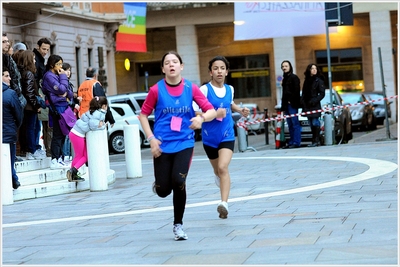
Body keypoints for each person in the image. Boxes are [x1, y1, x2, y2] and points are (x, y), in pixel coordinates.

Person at [139, 51, 217, 241]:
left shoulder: (191, 88)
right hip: (162, 144)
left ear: (181, 66)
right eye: (167, 62)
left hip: (184, 142)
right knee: (163, 190)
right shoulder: (156, 90)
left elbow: (211, 111)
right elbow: (142, 115)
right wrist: (151, 139)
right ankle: (158, 184)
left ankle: (178, 224)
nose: (171, 65)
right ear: (163, 68)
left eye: (175, 62)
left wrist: (201, 119)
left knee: (179, 181)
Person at [193, 55, 249, 219]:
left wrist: (239, 110)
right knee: (217, 170)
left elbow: (230, 103)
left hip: (226, 134)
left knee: (223, 168)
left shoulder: (230, 89)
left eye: (222, 68)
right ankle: (218, 177)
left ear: (226, 71)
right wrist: (212, 114)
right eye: (216, 68)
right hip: (209, 137)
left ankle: (224, 203)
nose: (219, 71)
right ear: (210, 72)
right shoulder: (204, 90)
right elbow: (197, 111)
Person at [41, 54, 73, 169]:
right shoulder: (49, 76)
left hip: (62, 106)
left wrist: (64, 92)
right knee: (58, 134)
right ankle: (55, 159)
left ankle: (59, 158)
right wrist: (63, 78)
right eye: (58, 64)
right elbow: (61, 89)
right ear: (51, 65)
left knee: (63, 133)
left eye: (61, 64)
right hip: (56, 107)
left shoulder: (56, 75)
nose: (60, 66)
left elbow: (68, 91)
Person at [67, 96, 108, 182]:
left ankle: (72, 174)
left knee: (81, 155)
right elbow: (93, 126)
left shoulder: (91, 112)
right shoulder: (100, 113)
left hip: (74, 133)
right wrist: (103, 126)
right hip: (78, 135)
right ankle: (73, 170)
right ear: (104, 106)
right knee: (85, 156)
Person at [16, 50, 46, 160]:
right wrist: (36, 105)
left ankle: (29, 149)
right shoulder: (28, 73)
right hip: (29, 107)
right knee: (30, 128)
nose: (34, 61)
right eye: (33, 59)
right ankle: (31, 150)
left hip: (27, 106)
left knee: (29, 128)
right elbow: (29, 92)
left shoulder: (24, 72)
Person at [2, 67, 24, 189]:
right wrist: (15, 126)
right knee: (9, 160)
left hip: (8, 131)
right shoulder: (11, 94)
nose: (9, 78)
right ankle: (13, 179)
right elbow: (19, 114)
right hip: (8, 133)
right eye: (6, 76)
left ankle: (13, 179)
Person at [33, 37, 51, 156]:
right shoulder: (36, 59)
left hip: (38, 93)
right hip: (37, 94)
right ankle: (35, 147)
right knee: (36, 125)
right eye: (43, 48)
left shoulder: (40, 59)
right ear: (38, 47)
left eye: (47, 49)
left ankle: (37, 147)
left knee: (38, 125)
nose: (45, 51)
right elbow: (35, 78)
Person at [301, 63, 325, 147]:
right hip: (307, 105)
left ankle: (316, 140)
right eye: (312, 68)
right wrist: (303, 103)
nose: (314, 70)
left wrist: (314, 101)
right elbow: (303, 93)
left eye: (315, 68)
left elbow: (322, 94)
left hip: (314, 105)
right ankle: (314, 139)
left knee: (315, 122)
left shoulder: (319, 80)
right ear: (309, 70)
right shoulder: (306, 81)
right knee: (311, 123)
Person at [280, 60, 302, 149]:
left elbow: (296, 91)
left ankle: (296, 142)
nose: (284, 68)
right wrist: (283, 106)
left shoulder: (294, 77)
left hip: (292, 104)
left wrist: (291, 101)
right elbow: (284, 94)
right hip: (286, 105)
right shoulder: (284, 79)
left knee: (295, 123)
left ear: (290, 67)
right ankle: (291, 141)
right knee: (289, 124)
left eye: (286, 66)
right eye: (283, 66)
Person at [61, 62, 79, 162]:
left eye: (69, 70)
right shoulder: (63, 83)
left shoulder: (68, 82)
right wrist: (74, 104)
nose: (68, 72)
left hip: (69, 111)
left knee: (69, 134)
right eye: (66, 70)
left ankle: (67, 155)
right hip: (65, 110)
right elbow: (65, 98)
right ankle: (65, 155)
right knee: (66, 135)